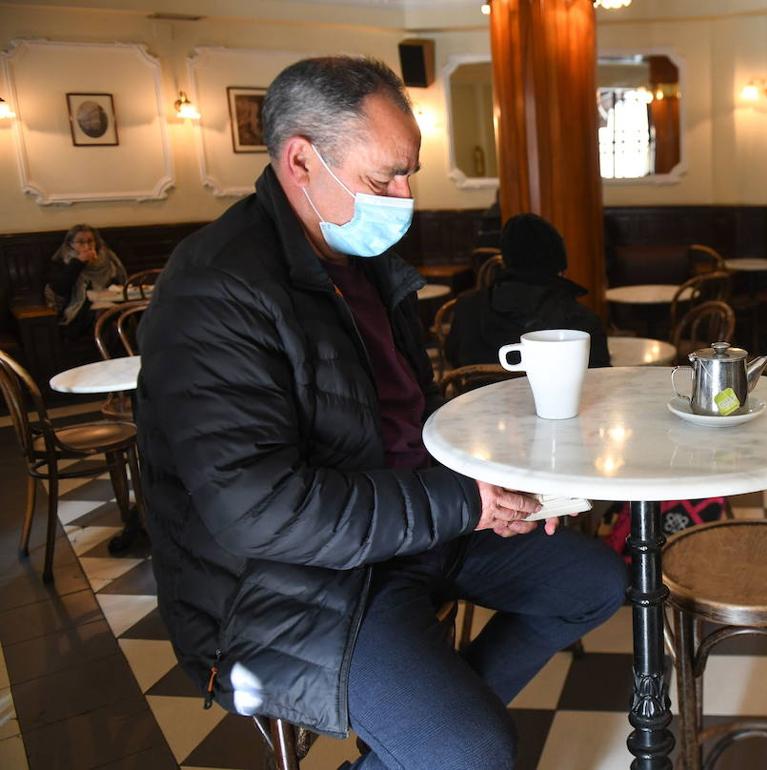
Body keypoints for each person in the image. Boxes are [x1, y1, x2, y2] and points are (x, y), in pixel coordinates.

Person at [134, 56, 626, 769]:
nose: (404, 196)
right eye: (383, 178)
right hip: (286, 581)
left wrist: (494, 483)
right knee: (477, 753)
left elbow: (401, 416)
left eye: (408, 174)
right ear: (301, 159)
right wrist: (461, 502)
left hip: (407, 528)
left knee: (593, 583)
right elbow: (258, 510)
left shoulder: (353, 258)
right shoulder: (215, 288)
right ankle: (439, 737)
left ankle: (423, 732)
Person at [446, 212, 611, 370]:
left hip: (479, 399)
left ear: (505, 260)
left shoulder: (466, 308)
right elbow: (598, 380)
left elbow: (453, 361)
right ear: (559, 266)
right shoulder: (582, 323)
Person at [44, 224, 127, 337]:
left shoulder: (107, 258)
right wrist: (78, 262)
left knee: (127, 313)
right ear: (70, 244)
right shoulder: (62, 261)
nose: (87, 246)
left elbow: (118, 283)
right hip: (79, 309)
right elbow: (60, 289)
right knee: (106, 316)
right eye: (81, 242)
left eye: (90, 241)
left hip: (110, 302)